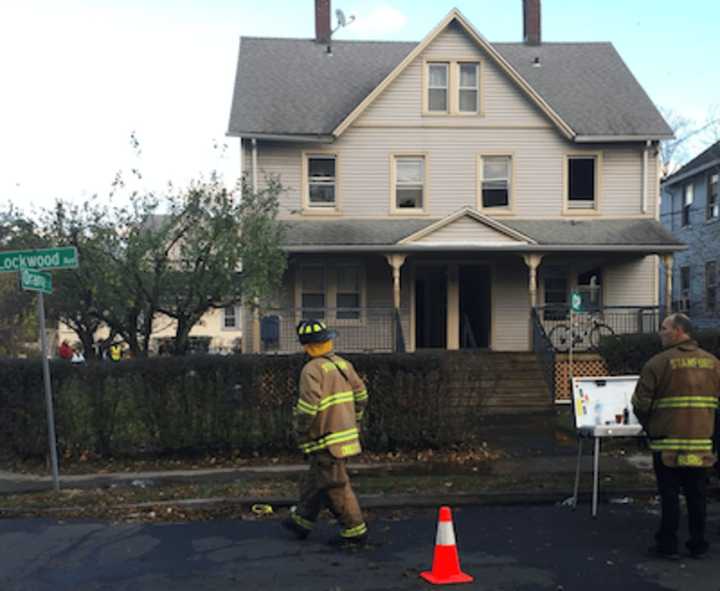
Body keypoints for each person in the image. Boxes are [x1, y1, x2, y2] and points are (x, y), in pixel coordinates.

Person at [631, 313, 720, 559]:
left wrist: (648, 427)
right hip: (701, 445)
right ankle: (698, 544)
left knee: (669, 496)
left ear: (679, 332)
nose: (660, 333)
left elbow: (640, 403)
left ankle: (667, 545)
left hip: (667, 445)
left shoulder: (657, 364)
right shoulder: (713, 363)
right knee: (697, 495)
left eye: (664, 328)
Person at [281, 319, 369, 547]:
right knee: (316, 479)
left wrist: (300, 429)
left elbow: (308, 408)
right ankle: (301, 521)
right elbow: (362, 397)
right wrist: (353, 422)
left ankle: (354, 529)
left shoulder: (311, 369)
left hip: (326, 439)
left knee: (335, 484)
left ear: (306, 345)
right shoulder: (343, 364)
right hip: (345, 437)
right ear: (328, 340)